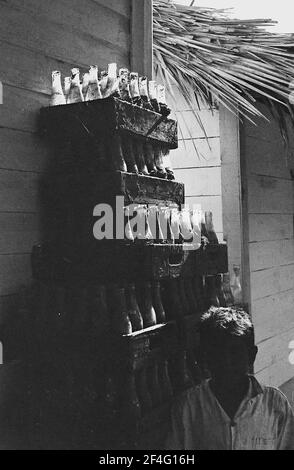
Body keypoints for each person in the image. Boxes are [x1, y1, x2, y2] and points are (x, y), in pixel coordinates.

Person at [166, 306, 294, 450]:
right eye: (217, 353)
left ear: (251, 355)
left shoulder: (275, 404)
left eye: (235, 352)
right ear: (204, 358)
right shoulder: (188, 407)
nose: (226, 362)